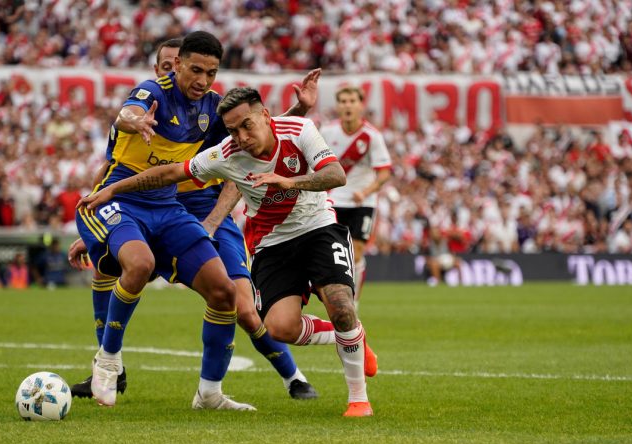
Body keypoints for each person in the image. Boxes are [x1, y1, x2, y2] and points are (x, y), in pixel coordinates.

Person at [78, 87, 379, 417]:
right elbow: (167, 174)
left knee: (339, 303)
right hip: (272, 243)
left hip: (319, 226)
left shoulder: (300, 129)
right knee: (279, 328)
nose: (241, 136)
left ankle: (357, 400)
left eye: (246, 126)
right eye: (233, 130)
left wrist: (290, 182)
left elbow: (336, 174)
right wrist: (111, 190)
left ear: (265, 115)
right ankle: (348, 336)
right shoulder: (226, 153)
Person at [69, 34, 320, 402]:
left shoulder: (214, 111)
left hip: (198, 206)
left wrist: (299, 112)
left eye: (210, 72)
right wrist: (96, 230)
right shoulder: (150, 97)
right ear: (167, 68)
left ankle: (286, 378)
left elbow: (259, 135)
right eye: (185, 68)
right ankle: (108, 366)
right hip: (140, 203)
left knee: (239, 304)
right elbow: (124, 125)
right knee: (124, 265)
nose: (200, 79)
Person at [320, 86, 391, 311]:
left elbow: (384, 173)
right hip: (333, 201)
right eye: (343, 101)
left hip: (362, 203)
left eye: (352, 101)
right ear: (338, 105)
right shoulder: (328, 131)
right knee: (334, 252)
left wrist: (366, 192)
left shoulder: (372, 136)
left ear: (360, 105)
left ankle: (354, 302)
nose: (347, 105)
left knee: (357, 251)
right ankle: (336, 297)